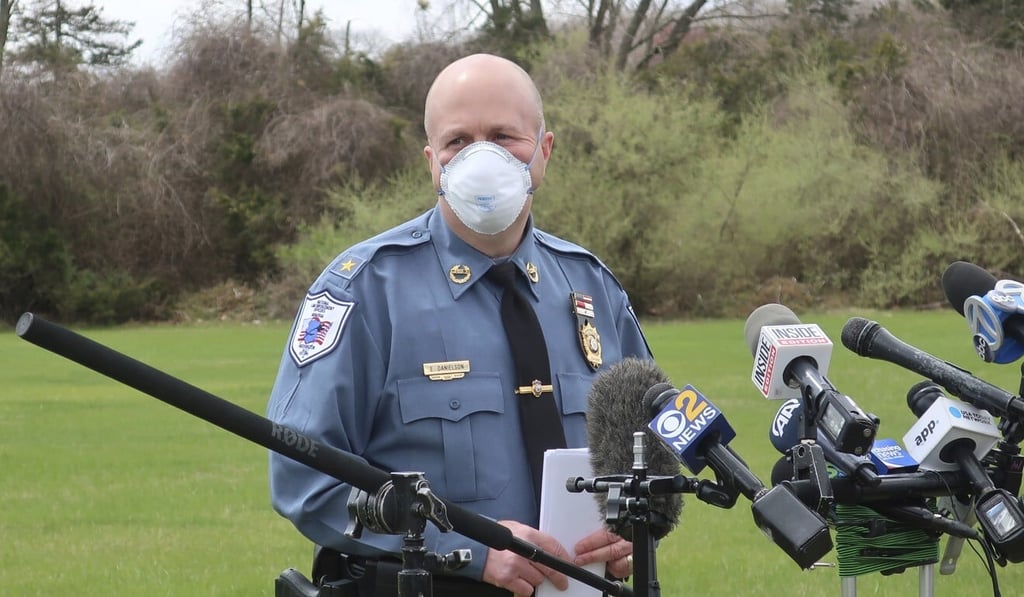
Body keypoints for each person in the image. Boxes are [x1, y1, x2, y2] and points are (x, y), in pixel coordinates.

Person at [267, 52, 652, 597]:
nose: (482, 157)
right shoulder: (364, 291)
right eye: (458, 142)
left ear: (544, 150)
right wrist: (467, 552)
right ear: (433, 162)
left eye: (504, 136)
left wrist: (632, 529)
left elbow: (649, 453)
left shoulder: (594, 289)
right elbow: (304, 481)